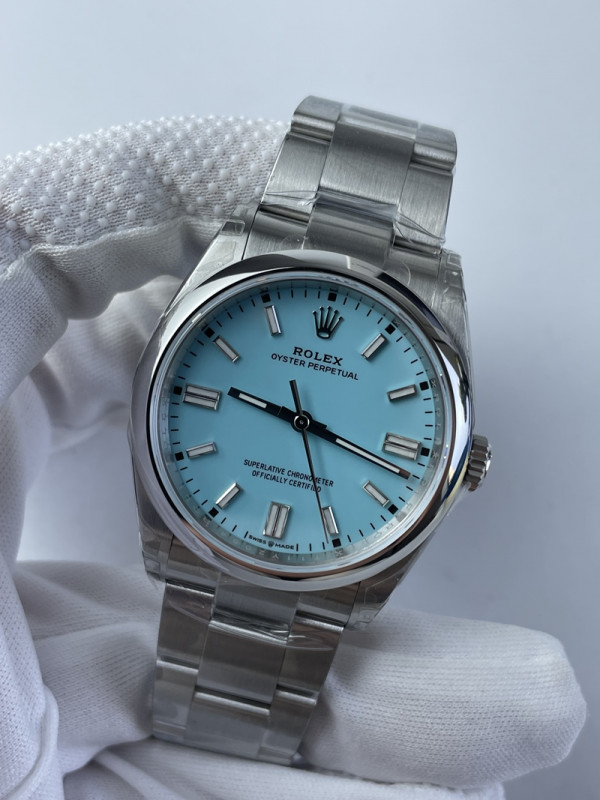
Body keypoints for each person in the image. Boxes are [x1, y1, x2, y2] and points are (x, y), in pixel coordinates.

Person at [0, 112, 585, 799]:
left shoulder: (436, 303)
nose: (301, 424)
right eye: (295, 419)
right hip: (208, 528)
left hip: (292, 546)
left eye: (302, 422)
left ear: (462, 462)